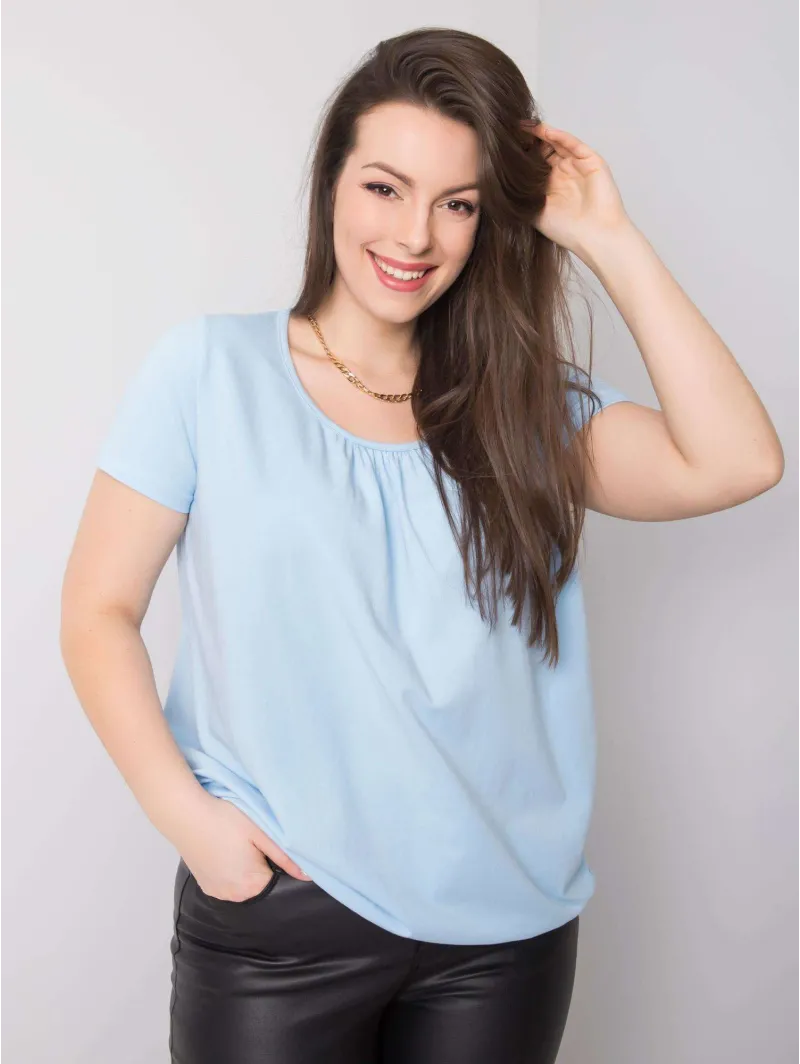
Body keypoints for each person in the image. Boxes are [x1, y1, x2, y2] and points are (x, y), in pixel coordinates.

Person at [59, 26, 783, 1064]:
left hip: (502, 937)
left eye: (457, 204)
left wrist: (609, 237)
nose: (415, 235)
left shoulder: (530, 410)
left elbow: (737, 462)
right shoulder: (208, 373)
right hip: (280, 915)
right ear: (332, 183)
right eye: (385, 188)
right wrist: (195, 827)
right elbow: (97, 611)